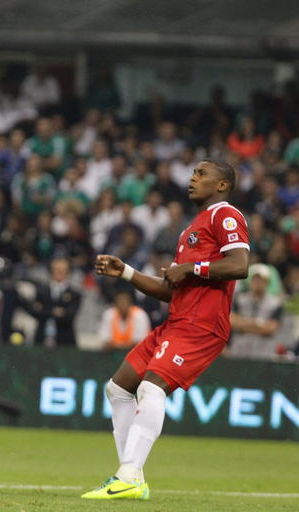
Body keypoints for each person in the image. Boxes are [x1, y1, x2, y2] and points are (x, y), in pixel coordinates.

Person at [82, 159, 249, 500]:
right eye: (193, 173)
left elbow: (239, 265)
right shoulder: (191, 230)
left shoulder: (225, 215)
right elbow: (170, 288)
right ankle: (132, 476)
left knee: (151, 388)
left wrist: (191, 268)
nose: (192, 178)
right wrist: (126, 272)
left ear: (222, 185)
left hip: (202, 325)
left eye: (201, 173)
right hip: (176, 321)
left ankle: (128, 476)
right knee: (118, 388)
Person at [230, 263, 283, 359]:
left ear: (267, 282)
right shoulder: (239, 299)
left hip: (264, 354)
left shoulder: (275, 303)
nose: (257, 282)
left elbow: (271, 328)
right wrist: (258, 324)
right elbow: (233, 322)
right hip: (239, 352)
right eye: (254, 279)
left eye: (261, 280)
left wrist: (243, 325)